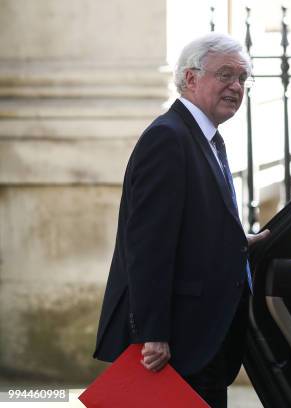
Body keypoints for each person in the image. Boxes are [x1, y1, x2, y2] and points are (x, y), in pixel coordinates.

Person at [93, 33, 269, 407]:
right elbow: (147, 245)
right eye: (225, 75)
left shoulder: (205, 137)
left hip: (204, 336)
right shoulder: (168, 139)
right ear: (191, 78)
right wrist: (152, 334)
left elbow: (191, 227)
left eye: (242, 78)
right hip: (175, 345)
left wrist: (239, 242)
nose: (236, 87)